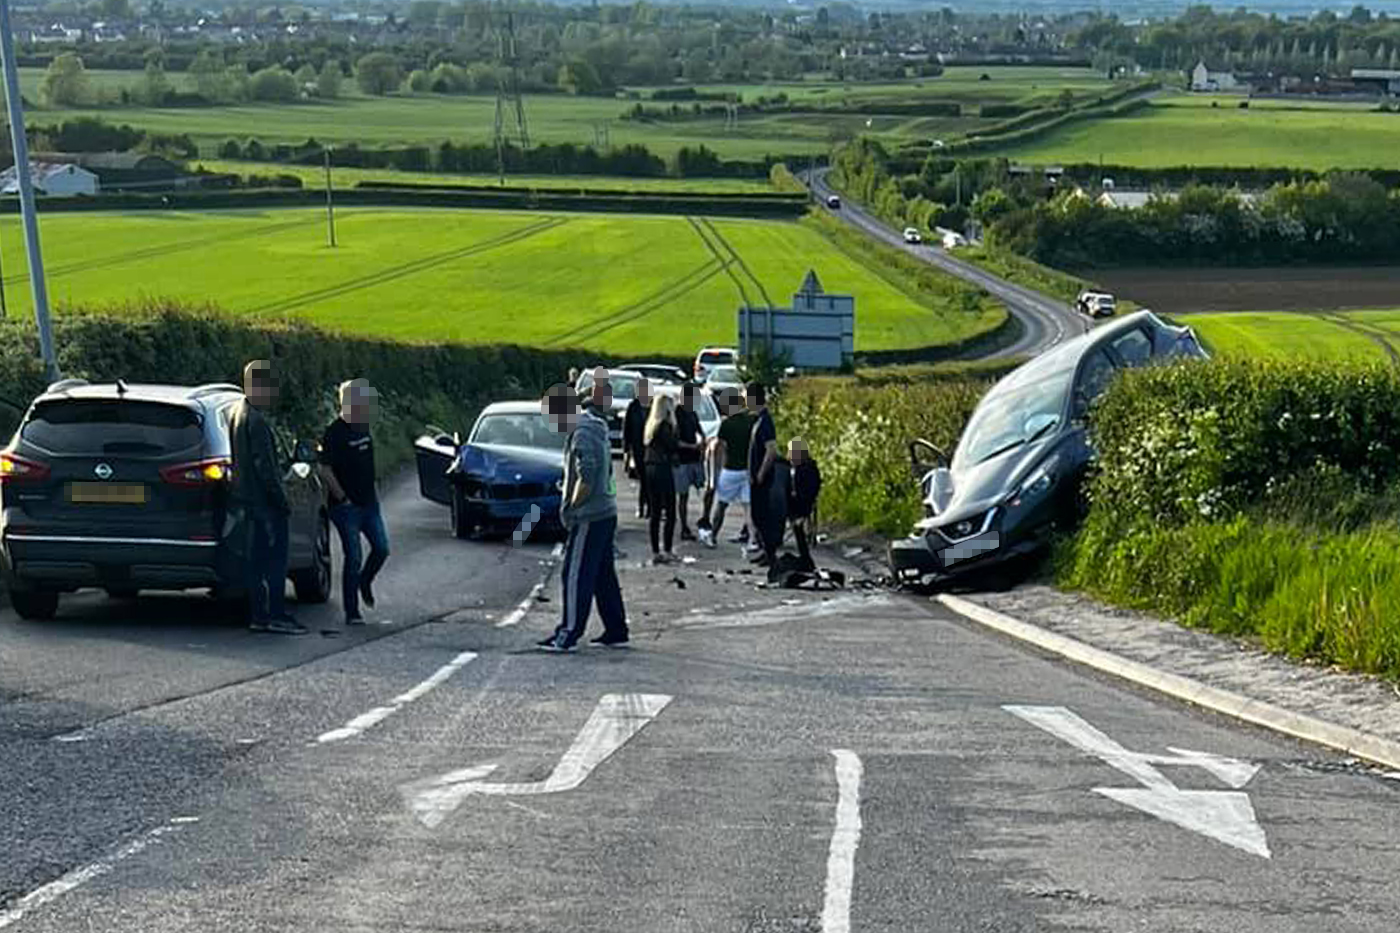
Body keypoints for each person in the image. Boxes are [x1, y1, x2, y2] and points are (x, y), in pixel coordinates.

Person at [539, 369, 629, 652]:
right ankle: (615, 628)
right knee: (603, 575)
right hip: (605, 511)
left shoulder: (581, 434)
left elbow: (586, 477)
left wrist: (570, 506)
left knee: (575, 575)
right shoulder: (593, 425)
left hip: (589, 515)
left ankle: (568, 632)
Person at [228, 360, 306, 636]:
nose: (273, 394)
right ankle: (274, 614)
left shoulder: (237, 412)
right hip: (263, 505)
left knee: (256, 562)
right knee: (274, 561)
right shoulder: (257, 421)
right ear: (258, 386)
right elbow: (265, 468)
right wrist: (281, 501)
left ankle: (260, 615)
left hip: (245, 501)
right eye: (271, 388)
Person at [320, 378, 390, 626]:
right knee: (354, 556)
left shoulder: (364, 427)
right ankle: (352, 612)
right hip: (346, 508)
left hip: (369, 503)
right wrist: (342, 497)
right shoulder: (334, 433)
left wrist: (373, 487)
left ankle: (365, 581)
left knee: (381, 548)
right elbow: (325, 469)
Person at [702, 389, 755, 550]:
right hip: (747, 470)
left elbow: (720, 448)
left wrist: (715, 471)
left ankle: (713, 536)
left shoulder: (726, 424)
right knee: (748, 507)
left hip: (730, 469)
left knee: (722, 505)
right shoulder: (751, 421)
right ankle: (753, 539)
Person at [746, 381, 782, 568]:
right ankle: (766, 551)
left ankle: (770, 553)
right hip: (755, 477)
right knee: (757, 515)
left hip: (763, 479)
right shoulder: (758, 419)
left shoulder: (765, 421)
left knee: (762, 515)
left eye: (747, 396)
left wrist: (760, 473)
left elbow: (771, 450)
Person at [643, 394, 679, 564]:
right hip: (662, 467)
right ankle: (668, 549)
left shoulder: (651, 426)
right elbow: (672, 446)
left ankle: (655, 550)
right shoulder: (665, 426)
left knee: (655, 511)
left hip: (650, 467)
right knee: (670, 511)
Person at [673, 383, 707, 542]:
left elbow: (700, 431)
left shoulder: (692, 413)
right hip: (681, 460)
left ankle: (699, 521)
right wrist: (692, 446)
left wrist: (704, 442)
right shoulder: (677, 413)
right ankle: (683, 526)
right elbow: (675, 441)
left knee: (703, 489)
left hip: (694, 458)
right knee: (683, 495)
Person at [787, 437, 823, 573]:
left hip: (803, 504)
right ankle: (805, 558)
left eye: (792, 452)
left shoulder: (807, 469)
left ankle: (806, 559)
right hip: (799, 502)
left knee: (796, 526)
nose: (790, 455)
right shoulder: (800, 467)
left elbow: (809, 493)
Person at [623, 377, 652, 520]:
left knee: (649, 479)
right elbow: (627, 429)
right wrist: (626, 451)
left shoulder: (653, 406)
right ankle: (643, 506)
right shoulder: (633, 407)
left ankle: (647, 507)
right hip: (638, 448)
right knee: (644, 478)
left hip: (652, 449)